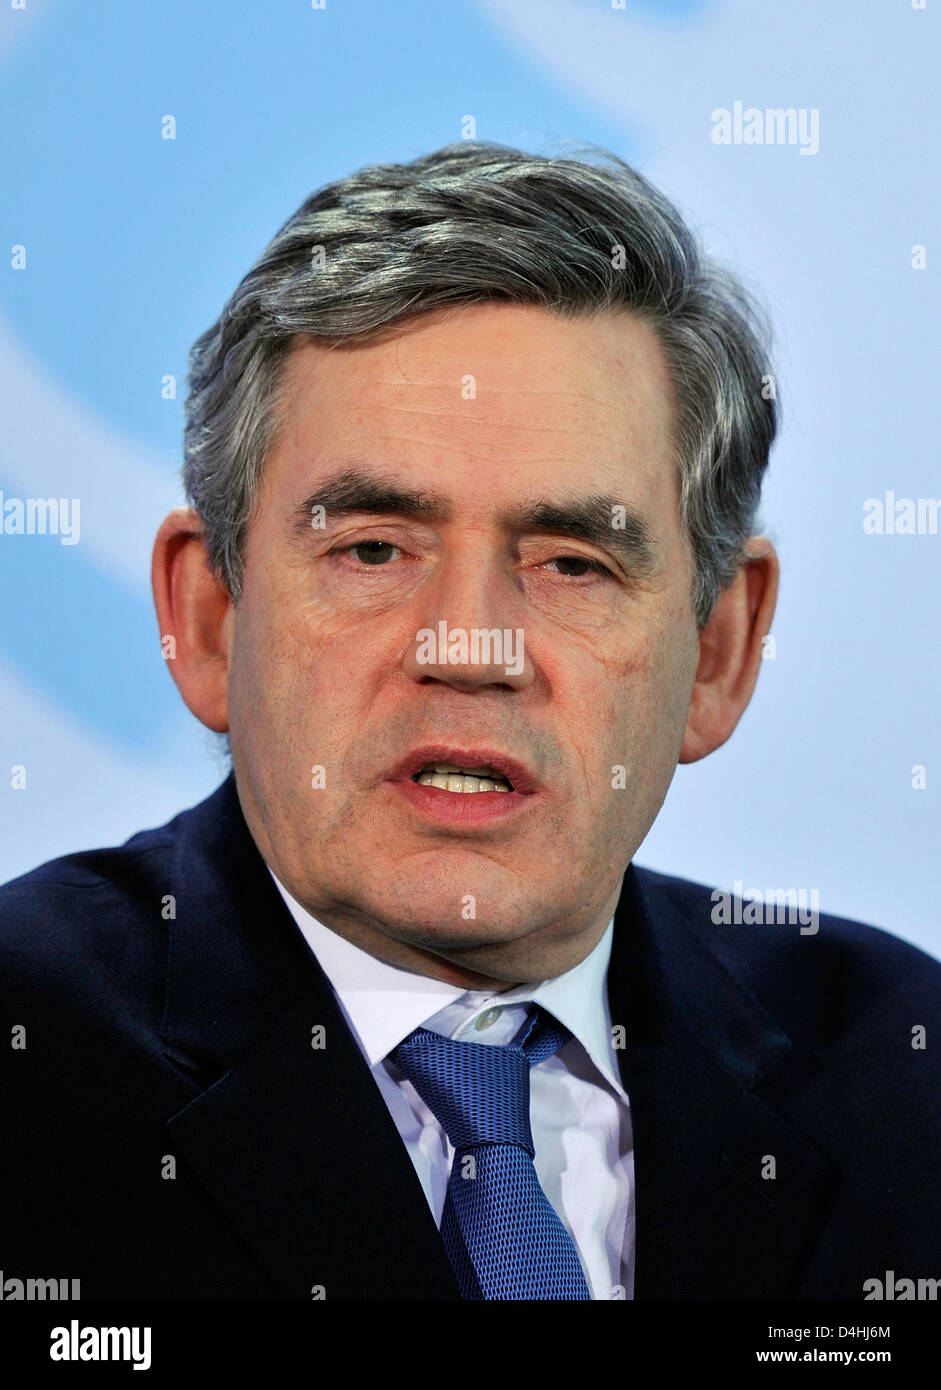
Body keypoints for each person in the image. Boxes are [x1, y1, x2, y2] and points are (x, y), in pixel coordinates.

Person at [1, 142, 938, 1302]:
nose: (469, 649)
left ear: (717, 649)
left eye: (570, 563)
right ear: (206, 617)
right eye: (374, 550)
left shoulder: (902, 1074)